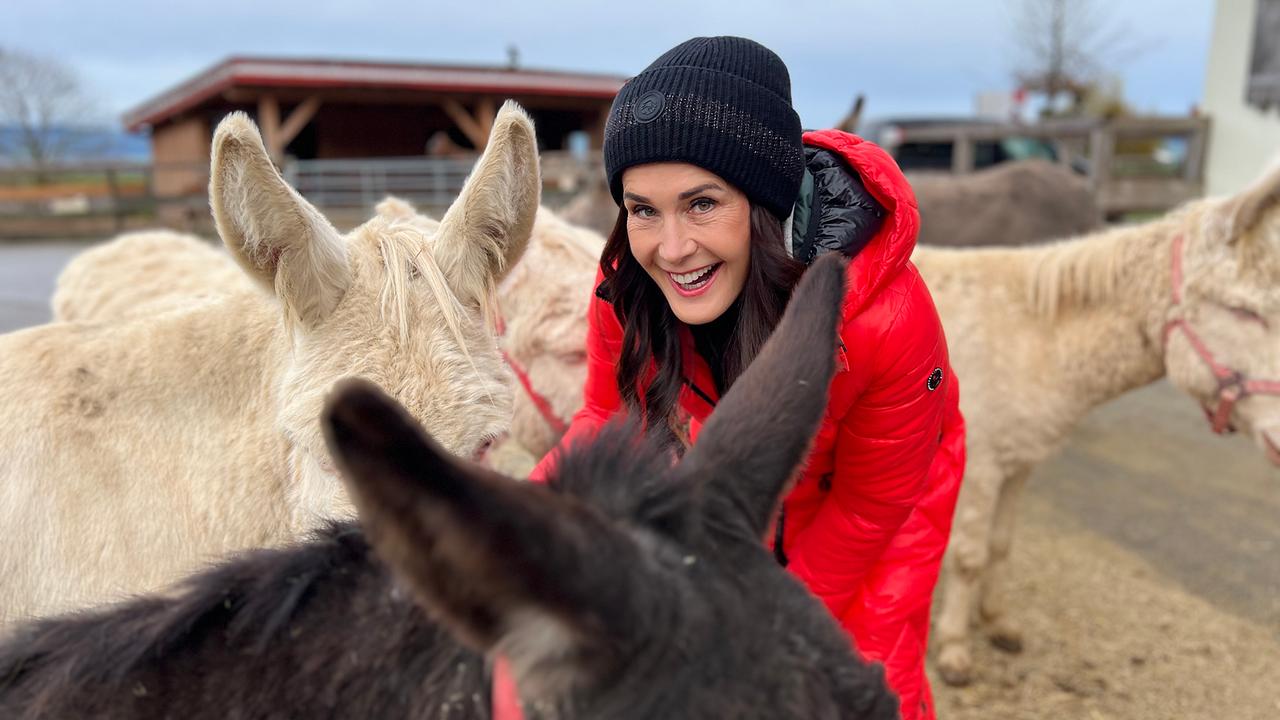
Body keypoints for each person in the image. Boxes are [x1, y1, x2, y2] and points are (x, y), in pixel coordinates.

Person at [521, 36, 965, 720]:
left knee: (864, 681)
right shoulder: (629, 290)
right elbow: (610, 422)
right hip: (740, 494)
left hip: (876, 504)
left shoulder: (888, 318)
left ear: (766, 202)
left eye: (702, 203)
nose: (671, 248)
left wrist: (746, 617)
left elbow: (870, 508)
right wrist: (515, 522)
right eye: (643, 209)